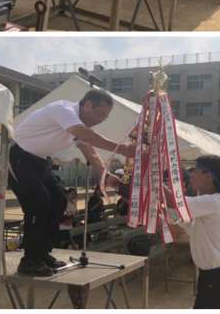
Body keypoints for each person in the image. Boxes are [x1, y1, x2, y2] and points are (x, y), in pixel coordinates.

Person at [8, 88, 135, 276]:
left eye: (105, 117)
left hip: (41, 162)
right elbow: (84, 134)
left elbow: (90, 152)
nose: (101, 120)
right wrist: (121, 149)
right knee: (39, 202)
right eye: (100, 114)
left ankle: (42, 254)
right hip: (19, 158)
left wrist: (105, 176)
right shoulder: (63, 110)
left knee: (59, 201)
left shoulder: (79, 127)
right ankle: (29, 260)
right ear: (87, 104)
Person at [167, 155, 220, 309]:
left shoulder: (215, 202)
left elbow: (176, 203)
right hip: (210, 280)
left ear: (208, 176)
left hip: (219, 283)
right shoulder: (205, 206)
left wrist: (154, 180)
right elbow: (180, 217)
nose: (191, 175)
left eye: (195, 171)